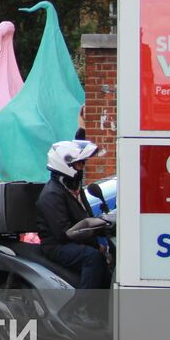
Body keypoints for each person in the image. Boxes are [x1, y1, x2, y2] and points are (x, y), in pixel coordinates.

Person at [35, 138, 109, 329]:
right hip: (56, 247)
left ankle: (104, 322)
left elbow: (84, 220)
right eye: (78, 163)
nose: (81, 167)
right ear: (64, 164)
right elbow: (64, 232)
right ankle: (79, 310)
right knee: (92, 258)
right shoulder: (52, 194)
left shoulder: (71, 190)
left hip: (71, 242)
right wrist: (94, 245)